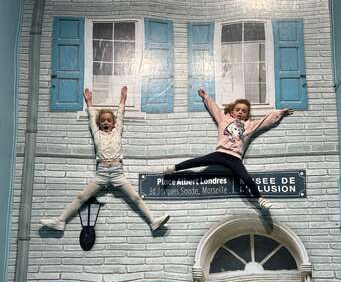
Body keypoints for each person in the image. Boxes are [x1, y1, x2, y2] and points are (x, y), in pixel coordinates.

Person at [41, 86, 169, 232]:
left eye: (109, 120)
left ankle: (153, 221)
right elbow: (91, 118)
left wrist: (123, 99)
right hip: (101, 173)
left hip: (117, 172)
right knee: (82, 196)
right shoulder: (97, 133)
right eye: (103, 121)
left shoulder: (117, 131)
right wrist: (89, 102)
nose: (106, 122)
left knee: (136, 198)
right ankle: (60, 221)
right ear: (99, 123)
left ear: (113, 123)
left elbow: (120, 115)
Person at [163, 88, 293, 209]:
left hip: (235, 158)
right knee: (197, 162)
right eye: (238, 110)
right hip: (220, 153)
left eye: (244, 111)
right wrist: (206, 97)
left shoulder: (249, 125)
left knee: (246, 178)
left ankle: (260, 198)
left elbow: (265, 120)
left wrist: (280, 112)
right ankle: (173, 168)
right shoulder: (223, 119)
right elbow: (214, 109)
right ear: (232, 111)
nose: (240, 112)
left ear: (247, 115)